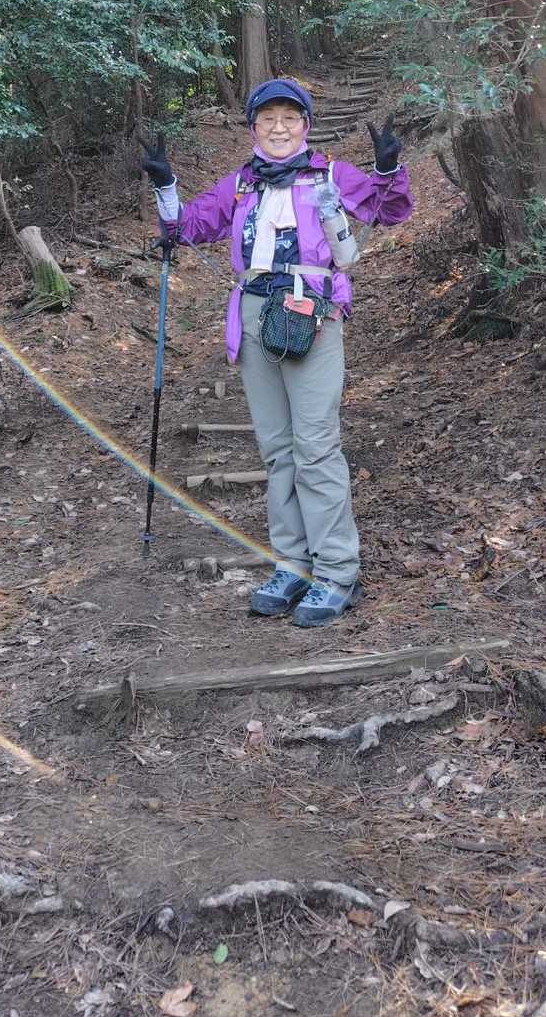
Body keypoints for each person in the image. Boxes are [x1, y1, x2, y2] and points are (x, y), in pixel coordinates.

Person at [140, 78, 413, 628]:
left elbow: (388, 210)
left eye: (290, 118)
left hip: (312, 312)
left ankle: (336, 571)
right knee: (277, 449)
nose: (279, 127)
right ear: (254, 127)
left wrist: (387, 169)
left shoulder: (330, 175)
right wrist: (166, 184)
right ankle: (293, 564)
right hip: (253, 314)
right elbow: (188, 226)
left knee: (315, 447)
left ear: (305, 125)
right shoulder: (243, 183)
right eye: (268, 118)